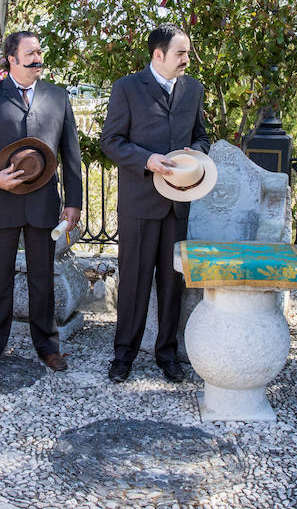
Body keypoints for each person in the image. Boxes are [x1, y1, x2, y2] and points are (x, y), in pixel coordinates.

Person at [0, 31, 82, 373]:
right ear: (11, 60)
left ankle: (47, 346)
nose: (37, 58)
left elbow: (71, 155)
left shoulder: (57, 96)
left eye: (40, 52)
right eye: (30, 53)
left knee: (42, 278)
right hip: (2, 201)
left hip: (43, 202)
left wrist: (74, 202)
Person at [100, 23, 210, 383]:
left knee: (172, 284)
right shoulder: (127, 88)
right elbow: (111, 142)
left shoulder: (194, 90)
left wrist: (196, 153)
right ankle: (123, 355)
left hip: (179, 204)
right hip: (139, 203)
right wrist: (146, 161)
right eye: (181, 53)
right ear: (157, 55)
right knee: (132, 281)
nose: (186, 59)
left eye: (188, 53)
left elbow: (201, 136)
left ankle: (167, 355)